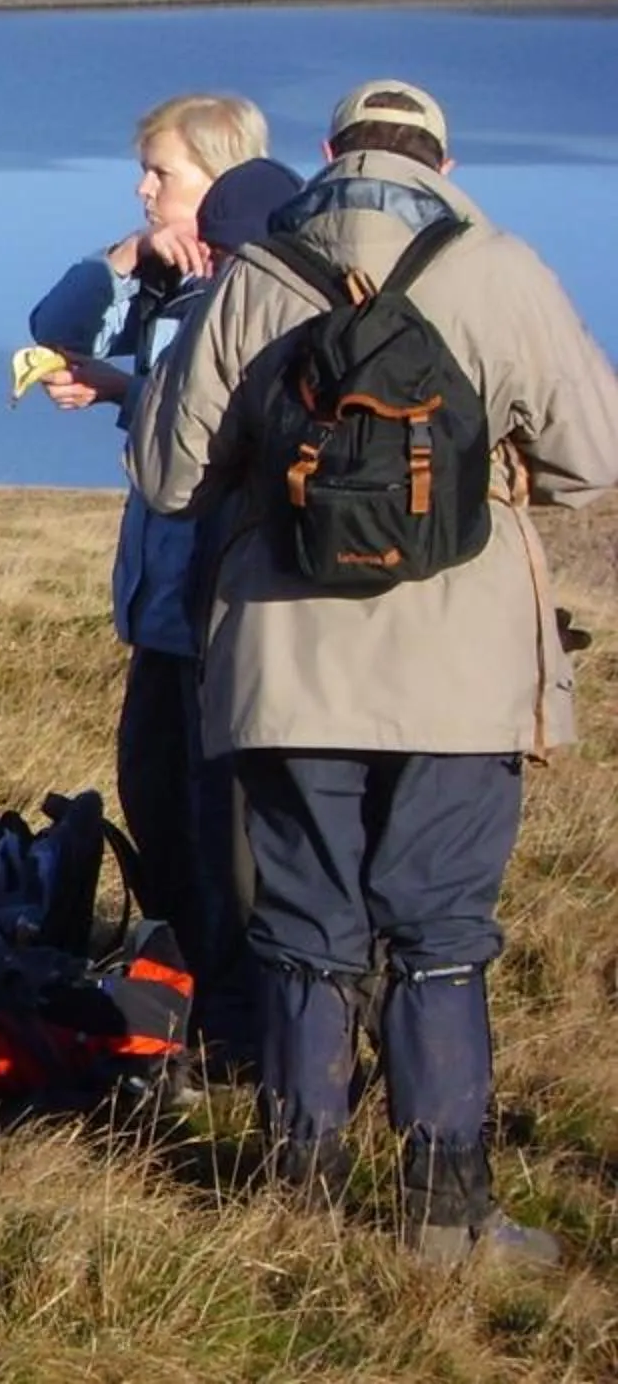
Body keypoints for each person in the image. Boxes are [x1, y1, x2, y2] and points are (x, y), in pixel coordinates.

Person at [132, 80, 618, 1268]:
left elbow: (168, 475)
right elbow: (594, 460)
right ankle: (445, 1215)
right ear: (443, 165)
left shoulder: (258, 273)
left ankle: (299, 1201)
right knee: (440, 929)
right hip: (463, 674)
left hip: (285, 665)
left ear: (330, 153)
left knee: (305, 924)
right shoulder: (501, 270)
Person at [23, 93, 274, 1060]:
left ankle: (230, 1021)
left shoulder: (255, 288)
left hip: (218, 610)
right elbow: (52, 324)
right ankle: (177, 994)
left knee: (221, 832)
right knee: (154, 794)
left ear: (220, 176)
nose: (143, 187)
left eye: (161, 173)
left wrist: (128, 391)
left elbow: (213, 430)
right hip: (160, 608)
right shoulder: (172, 277)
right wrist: (127, 257)